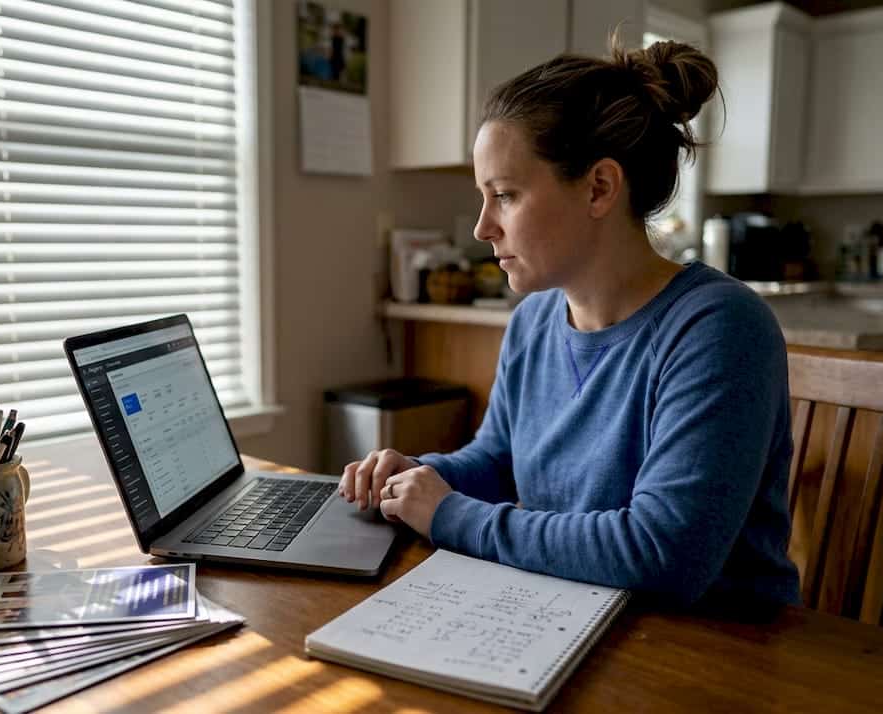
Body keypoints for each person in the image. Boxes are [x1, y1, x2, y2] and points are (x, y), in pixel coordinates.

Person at [339, 36, 801, 608]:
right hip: (568, 611)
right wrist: (416, 477)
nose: (483, 228)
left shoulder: (720, 328)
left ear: (599, 188)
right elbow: (498, 460)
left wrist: (450, 515)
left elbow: (664, 555)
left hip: (711, 650)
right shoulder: (533, 320)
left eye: (504, 195)